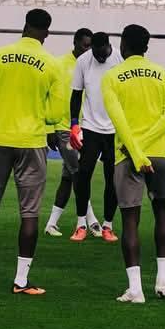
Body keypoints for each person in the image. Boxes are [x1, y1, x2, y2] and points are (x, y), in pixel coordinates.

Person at [0, 8, 67, 294]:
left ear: (24, 26)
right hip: (32, 142)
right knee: (29, 214)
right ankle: (21, 281)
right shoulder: (52, 64)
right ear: (46, 33)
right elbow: (58, 112)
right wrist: (39, 114)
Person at [100, 24, 165, 302]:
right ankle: (163, 280)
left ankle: (135, 289)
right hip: (160, 152)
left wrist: (136, 149)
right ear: (146, 47)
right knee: (162, 214)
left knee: (130, 220)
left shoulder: (112, 77)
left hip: (128, 154)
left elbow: (118, 120)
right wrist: (147, 143)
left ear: (123, 45)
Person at [44, 28, 99, 240]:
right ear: (75, 43)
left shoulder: (90, 66)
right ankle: (90, 221)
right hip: (62, 128)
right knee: (79, 173)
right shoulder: (59, 64)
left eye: (90, 46)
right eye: (85, 45)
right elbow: (47, 96)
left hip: (82, 128)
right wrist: (50, 129)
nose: (88, 50)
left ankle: (51, 224)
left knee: (68, 178)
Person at [70, 31, 123, 243]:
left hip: (115, 129)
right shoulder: (84, 61)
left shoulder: (120, 59)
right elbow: (76, 94)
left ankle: (108, 226)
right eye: (96, 53)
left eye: (102, 54)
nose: (99, 58)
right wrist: (74, 125)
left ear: (109, 47)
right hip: (90, 127)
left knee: (113, 179)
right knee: (83, 174)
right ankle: (81, 224)